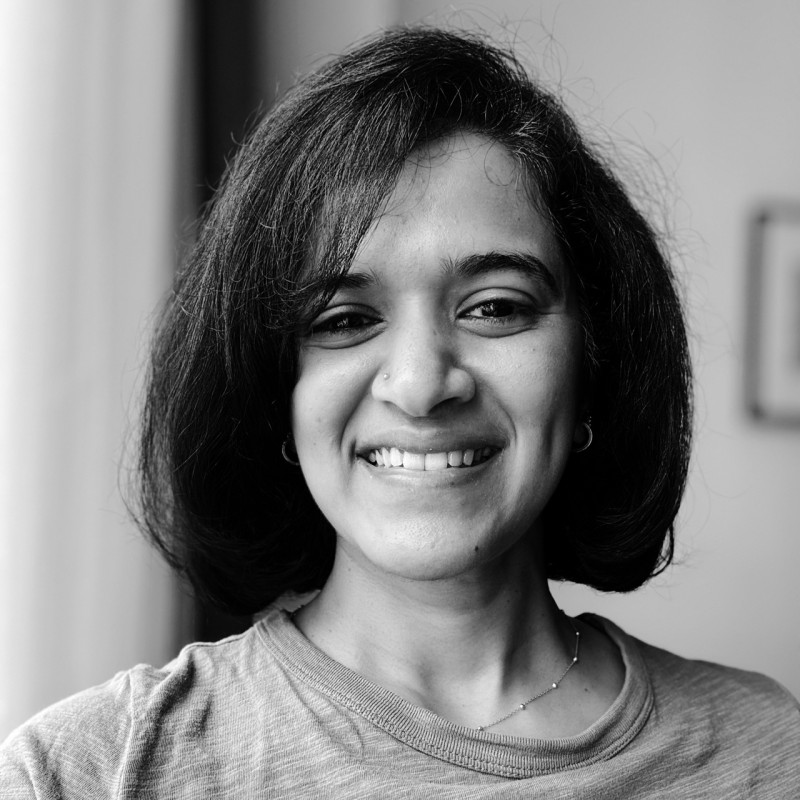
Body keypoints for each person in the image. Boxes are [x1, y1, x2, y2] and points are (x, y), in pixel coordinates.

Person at [2, 26, 798, 797]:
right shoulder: (82, 772)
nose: (421, 386)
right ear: (274, 394)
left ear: (593, 362)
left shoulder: (769, 753)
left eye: (495, 307)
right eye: (345, 319)